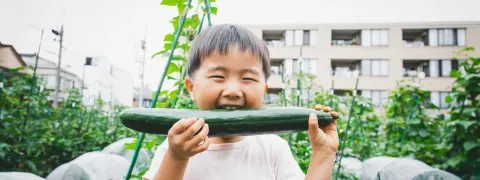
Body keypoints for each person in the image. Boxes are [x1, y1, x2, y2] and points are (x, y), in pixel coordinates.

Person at [142, 24, 339, 180]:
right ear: (192, 88)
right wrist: (177, 158)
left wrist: (324, 153)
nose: (233, 91)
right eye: (218, 77)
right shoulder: (174, 147)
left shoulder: (273, 148)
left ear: (264, 90)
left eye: (248, 79)